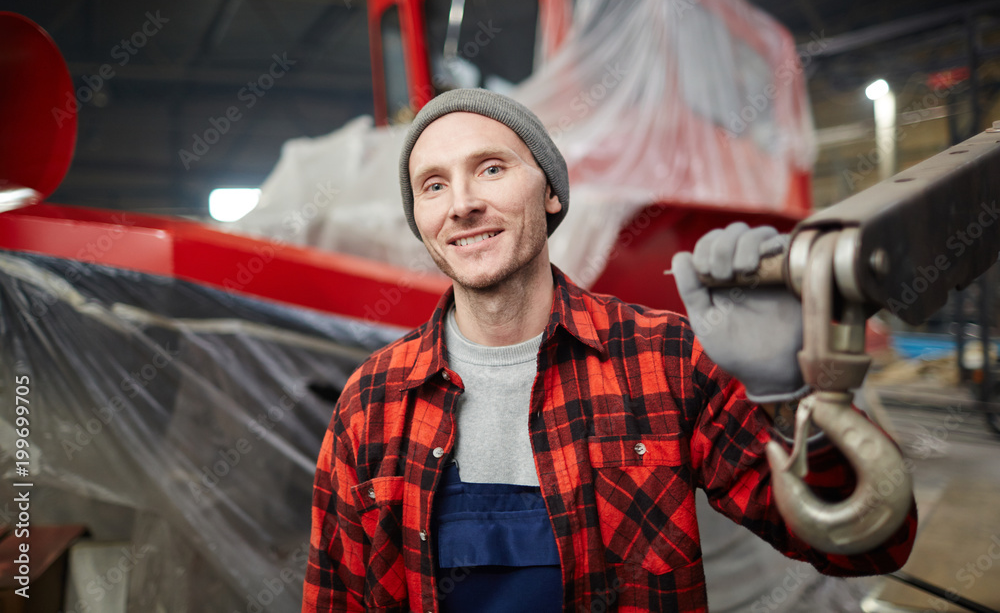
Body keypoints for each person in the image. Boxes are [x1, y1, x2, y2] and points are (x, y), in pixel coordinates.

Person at [301, 88, 916, 613]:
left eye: (491, 169)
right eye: (433, 185)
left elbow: (867, 542)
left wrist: (788, 389)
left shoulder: (663, 359)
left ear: (551, 194)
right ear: (421, 221)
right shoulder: (373, 402)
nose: (462, 203)